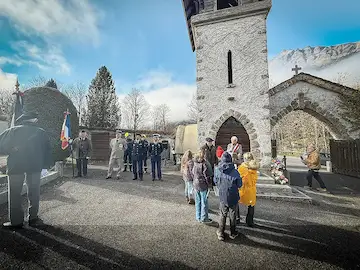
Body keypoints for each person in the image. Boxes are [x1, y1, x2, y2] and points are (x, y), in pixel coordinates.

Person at [0, 112, 53, 228]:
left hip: (16, 166)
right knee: (34, 193)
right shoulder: (41, 132)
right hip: (34, 166)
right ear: (34, 120)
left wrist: (11, 150)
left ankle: (16, 221)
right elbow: (48, 150)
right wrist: (46, 164)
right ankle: (33, 218)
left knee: (14, 194)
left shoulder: (12, 131)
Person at [214, 152, 242, 240]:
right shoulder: (235, 172)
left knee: (222, 214)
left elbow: (215, 181)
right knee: (233, 214)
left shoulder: (218, 170)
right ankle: (233, 232)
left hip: (223, 195)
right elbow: (239, 184)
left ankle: (221, 232)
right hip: (233, 195)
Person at [238, 152, 260, 227]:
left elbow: (239, 178)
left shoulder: (241, 167)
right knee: (251, 205)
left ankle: (237, 219)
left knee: (236, 203)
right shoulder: (254, 168)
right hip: (251, 190)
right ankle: (249, 221)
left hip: (243, 189)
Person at [192, 150, 212, 223]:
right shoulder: (205, 164)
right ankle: (204, 218)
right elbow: (208, 175)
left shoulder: (195, 162)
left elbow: (192, 173)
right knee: (204, 202)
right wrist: (209, 184)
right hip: (203, 184)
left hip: (196, 183)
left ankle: (198, 216)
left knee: (198, 201)